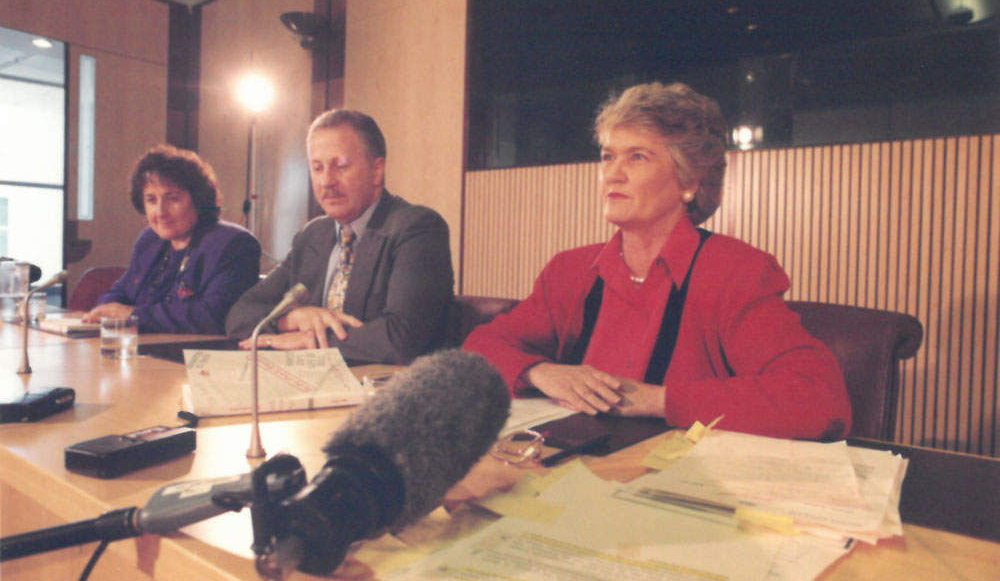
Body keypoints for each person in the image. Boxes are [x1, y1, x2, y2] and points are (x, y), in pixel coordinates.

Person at [464, 82, 851, 440]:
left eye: (637, 157)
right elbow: (480, 347)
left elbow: (818, 397)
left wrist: (657, 400)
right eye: (608, 156)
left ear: (689, 182)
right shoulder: (569, 271)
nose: (612, 174)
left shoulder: (735, 272)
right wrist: (539, 372)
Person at [225, 109, 453, 365]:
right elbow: (239, 314)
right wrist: (290, 319)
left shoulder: (416, 228)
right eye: (317, 168)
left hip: (387, 390)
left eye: (340, 166)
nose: (326, 181)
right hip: (309, 384)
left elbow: (400, 339)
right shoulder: (313, 235)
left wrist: (307, 343)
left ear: (376, 170)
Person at [83, 144, 261, 334]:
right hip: (141, 350)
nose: (160, 212)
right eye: (151, 200)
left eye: (173, 199)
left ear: (198, 199)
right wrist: (106, 310)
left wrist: (133, 315)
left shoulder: (233, 244)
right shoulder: (149, 240)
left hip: (191, 357)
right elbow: (121, 293)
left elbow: (212, 316)